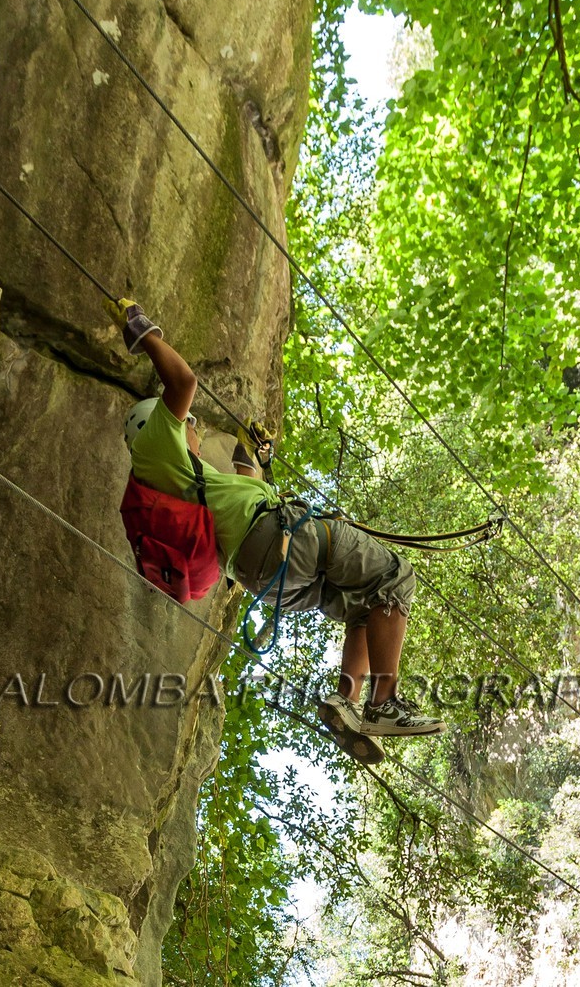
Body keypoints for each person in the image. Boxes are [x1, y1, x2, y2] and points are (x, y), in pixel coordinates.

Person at [111, 297, 442, 737]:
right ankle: (385, 704)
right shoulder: (155, 448)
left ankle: (348, 701)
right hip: (279, 543)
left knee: (365, 607)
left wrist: (256, 451)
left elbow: (246, 479)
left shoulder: (186, 479)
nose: (196, 430)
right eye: (191, 424)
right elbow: (183, 382)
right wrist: (142, 330)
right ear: (156, 424)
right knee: (395, 578)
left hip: (266, 574)